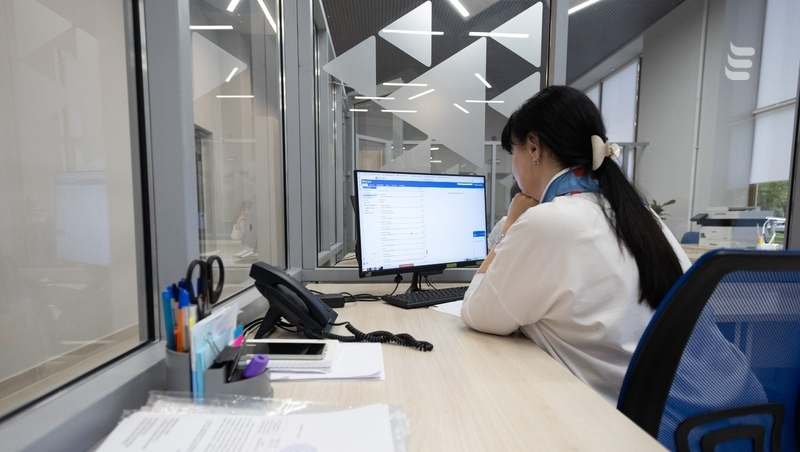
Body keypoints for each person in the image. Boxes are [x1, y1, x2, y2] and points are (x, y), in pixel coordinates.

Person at [461, 86, 692, 405]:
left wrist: (512, 223)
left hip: (628, 423)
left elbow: (477, 311)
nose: (514, 168)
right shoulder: (641, 216)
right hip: (701, 412)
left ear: (534, 147)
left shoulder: (549, 221)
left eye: (513, 153)